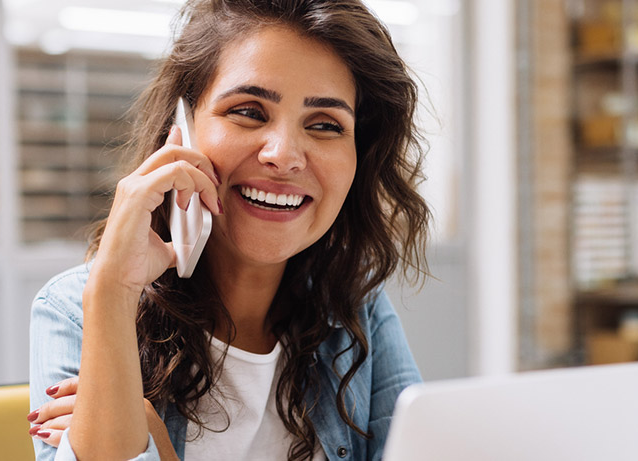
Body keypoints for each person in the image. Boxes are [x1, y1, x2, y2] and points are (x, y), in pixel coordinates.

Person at [27, 0, 430, 459]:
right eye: (249, 112)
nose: (284, 154)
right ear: (181, 131)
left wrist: (156, 442)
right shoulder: (81, 307)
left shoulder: (355, 305)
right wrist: (113, 289)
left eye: (324, 124)